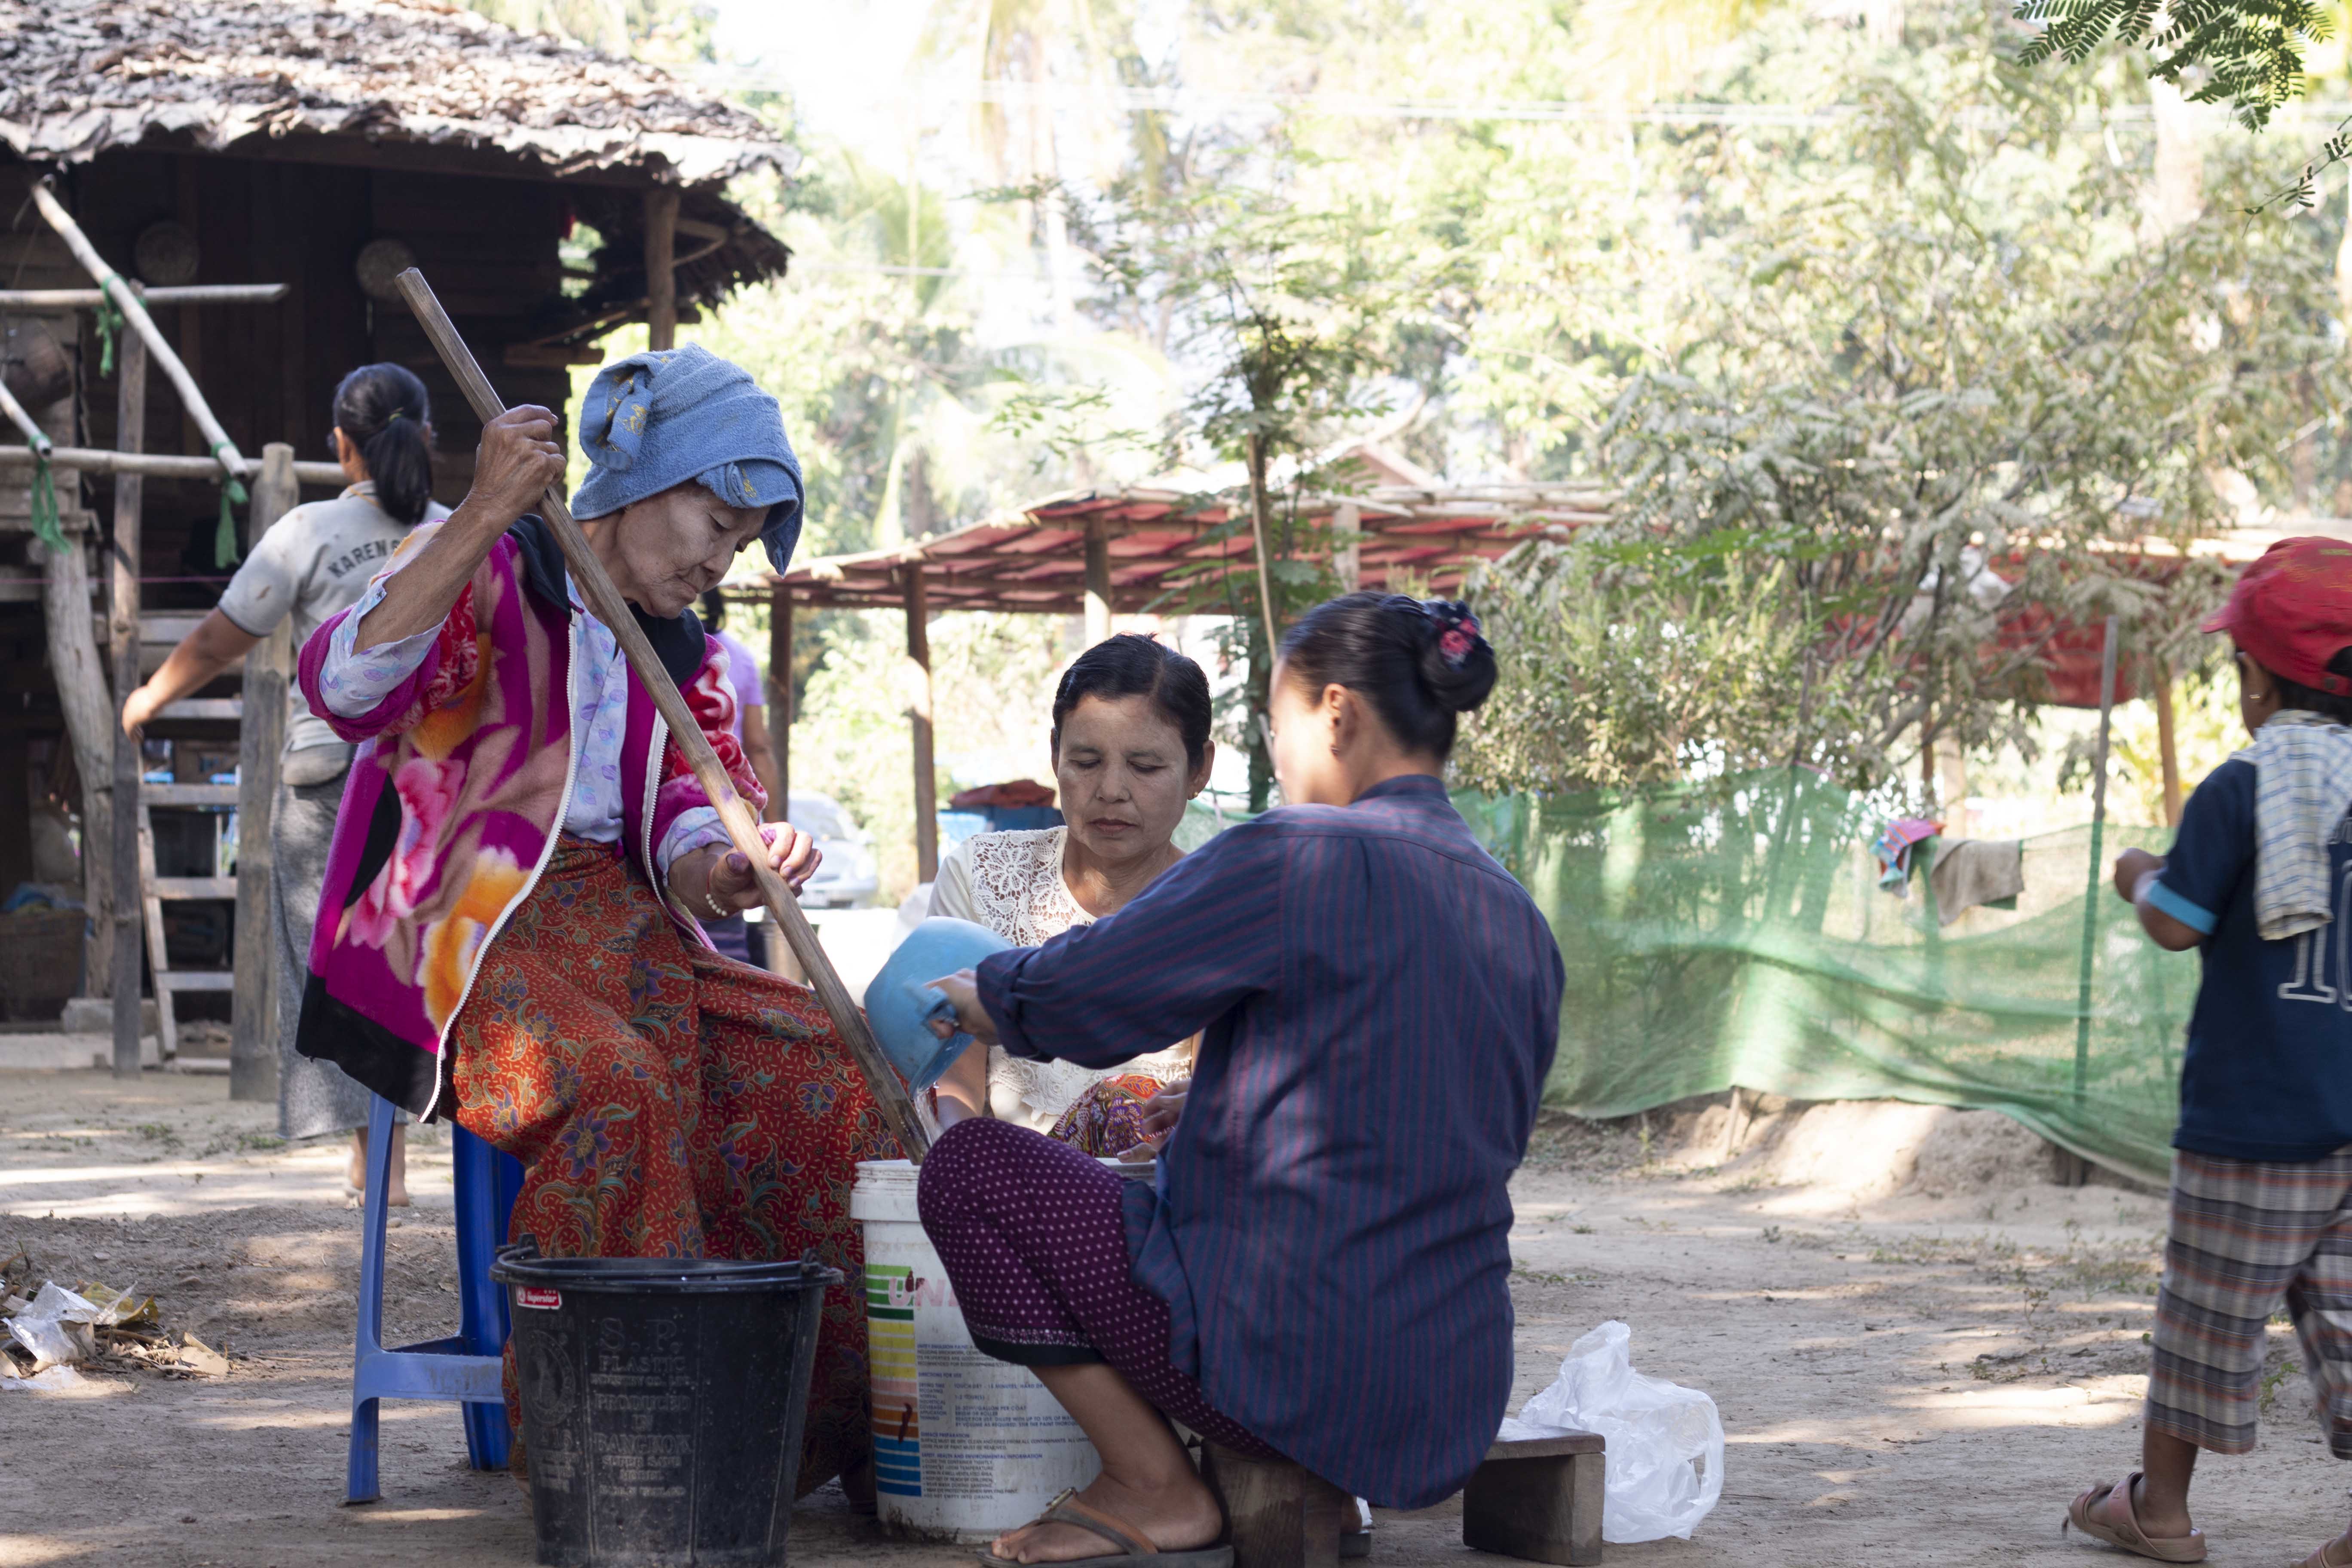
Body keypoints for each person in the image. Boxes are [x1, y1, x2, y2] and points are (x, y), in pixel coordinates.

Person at [292, 343, 899, 1496]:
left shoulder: (677, 645)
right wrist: (480, 512)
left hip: (624, 933)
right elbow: (345, 688)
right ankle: (611, 1442)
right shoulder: (485, 564)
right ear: (636, 486)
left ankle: (784, 1438)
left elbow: (680, 800)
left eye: (737, 540)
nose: (719, 560)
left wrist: (724, 863)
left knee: (836, 1073)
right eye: (713, 524)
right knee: (616, 1086)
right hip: (450, 933)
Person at [918, 592, 1563, 1565]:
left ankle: (1150, 1482)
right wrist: (1221, 1108)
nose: (1280, 756)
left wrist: (982, 996)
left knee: (967, 1168)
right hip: (1447, 1402)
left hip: (1284, 1380)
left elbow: (1088, 1000)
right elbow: (1423, 1128)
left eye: (1279, 726)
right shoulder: (1512, 912)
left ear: (1335, 714)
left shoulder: (1295, 852)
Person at [2073, 536, 2352, 1568]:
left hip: (2252, 1118)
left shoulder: (2242, 784)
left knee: (2199, 1317)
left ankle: (2158, 1514)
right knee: (2348, 1324)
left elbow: (2178, 923)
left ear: (2255, 677)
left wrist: (2138, 873)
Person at [122, 363, 445, 1205]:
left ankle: (368, 1164)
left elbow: (227, 634)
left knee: (333, 966)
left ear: (343, 448)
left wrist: (149, 697)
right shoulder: (461, 534)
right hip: (434, 785)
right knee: (413, 960)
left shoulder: (310, 530)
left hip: (327, 776)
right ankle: (396, 1163)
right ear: (430, 436)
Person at [928, 633, 1215, 1154]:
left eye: (1145, 767)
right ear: (1055, 753)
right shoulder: (981, 876)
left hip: (1151, 1202)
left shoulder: (1222, 908)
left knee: (1127, 1104)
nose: (1110, 790)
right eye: (1086, 762)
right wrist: (961, 1161)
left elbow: (1217, 1101)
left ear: (1200, 770)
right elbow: (953, 1081)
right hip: (1001, 1190)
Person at [695, 587, 783, 968]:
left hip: (658, 808)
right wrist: (772, 822)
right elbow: (759, 747)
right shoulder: (738, 658)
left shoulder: (643, 639)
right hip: (727, 811)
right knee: (724, 927)